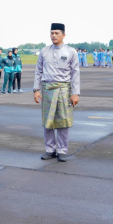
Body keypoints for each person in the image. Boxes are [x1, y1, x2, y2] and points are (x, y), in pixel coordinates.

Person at [34, 23, 80, 162]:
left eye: (57, 33)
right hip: (47, 89)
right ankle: (50, 150)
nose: (54, 35)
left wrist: (75, 93)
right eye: (52, 33)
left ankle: (62, 150)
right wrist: (36, 90)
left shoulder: (71, 51)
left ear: (63, 35)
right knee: (48, 121)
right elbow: (38, 71)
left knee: (63, 121)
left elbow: (75, 73)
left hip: (64, 90)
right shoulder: (44, 51)